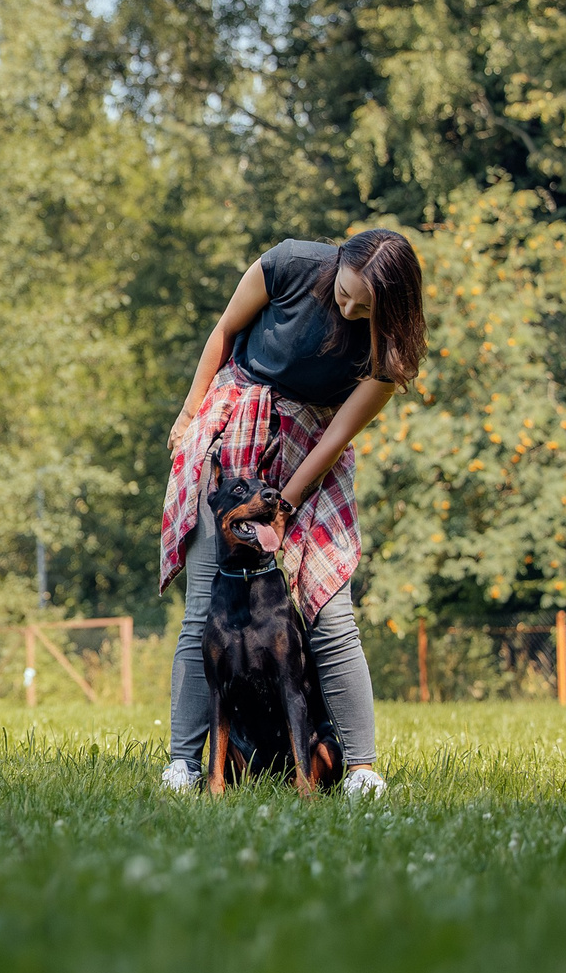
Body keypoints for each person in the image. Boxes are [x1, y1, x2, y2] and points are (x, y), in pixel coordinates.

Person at [157, 230, 427, 796]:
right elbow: (224, 330)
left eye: (366, 309)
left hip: (312, 446)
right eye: (346, 294)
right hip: (235, 420)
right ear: (339, 262)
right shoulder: (290, 263)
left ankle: (361, 771)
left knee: (330, 610)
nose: (349, 311)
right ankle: (184, 764)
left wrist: (288, 504)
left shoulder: (390, 356)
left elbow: (338, 434)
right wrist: (188, 416)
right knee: (205, 603)